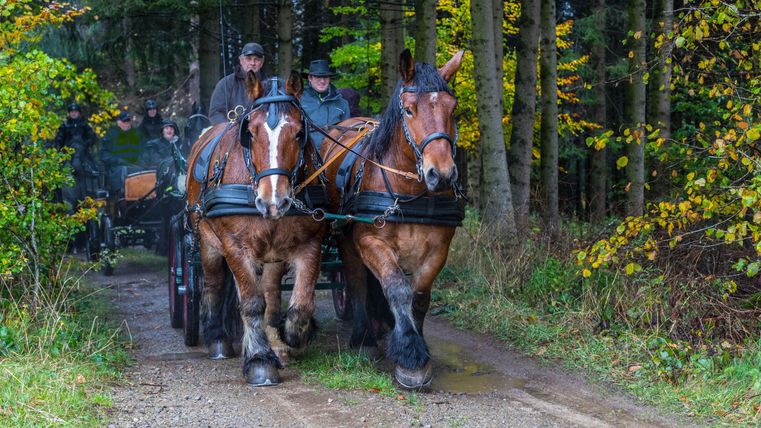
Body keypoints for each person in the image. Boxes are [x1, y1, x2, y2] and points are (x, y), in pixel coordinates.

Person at [54, 102, 98, 211]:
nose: (73, 114)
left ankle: (95, 191)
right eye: (72, 112)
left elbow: (92, 138)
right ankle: (58, 199)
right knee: (57, 174)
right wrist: (58, 149)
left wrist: (86, 144)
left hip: (83, 153)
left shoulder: (84, 125)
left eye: (75, 111)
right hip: (68, 154)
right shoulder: (64, 126)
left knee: (94, 168)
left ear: (79, 113)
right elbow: (59, 139)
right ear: (69, 113)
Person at [209, 42, 267, 124]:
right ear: (241, 60)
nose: (252, 63)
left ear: (262, 63)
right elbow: (215, 114)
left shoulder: (269, 85)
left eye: (256, 59)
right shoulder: (226, 83)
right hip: (232, 134)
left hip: (261, 134)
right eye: (249, 59)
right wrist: (231, 130)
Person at [300, 59, 350, 149]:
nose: (322, 81)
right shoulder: (299, 101)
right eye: (318, 77)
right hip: (306, 155)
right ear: (310, 78)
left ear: (329, 79)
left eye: (325, 77)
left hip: (334, 156)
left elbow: (348, 134)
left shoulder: (342, 103)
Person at [100, 110, 142, 195]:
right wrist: (117, 160)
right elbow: (104, 155)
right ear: (118, 122)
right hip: (116, 169)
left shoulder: (138, 134)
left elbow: (144, 151)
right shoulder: (111, 135)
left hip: (136, 168)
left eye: (128, 121)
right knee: (123, 171)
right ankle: (123, 196)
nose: (126, 123)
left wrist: (140, 161)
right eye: (124, 121)